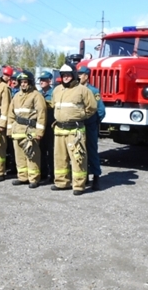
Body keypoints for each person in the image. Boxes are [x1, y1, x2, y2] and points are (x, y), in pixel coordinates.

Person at [51, 63, 97, 196]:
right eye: (63, 75)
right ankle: (61, 183)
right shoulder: (57, 90)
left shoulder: (83, 90)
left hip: (75, 130)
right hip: (59, 129)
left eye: (68, 75)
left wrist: (80, 116)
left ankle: (78, 185)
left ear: (74, 76)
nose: (65, 77)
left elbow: (92, 108)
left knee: (78, 158)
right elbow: (54, 105)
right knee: (59, 158)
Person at [7, 70, 47, 188]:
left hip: (30, 131)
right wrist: (9, 130)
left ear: (30, 82)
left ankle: (34, 178)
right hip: (17, 130)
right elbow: (11, 114)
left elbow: (42, 114)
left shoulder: (36, 95)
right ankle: (22, 177)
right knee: (19, 156)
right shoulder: (16, 96)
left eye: (25, 82)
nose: (23, 84)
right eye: (21, 82)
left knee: (32, 155)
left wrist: (39, 132)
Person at [77, 65, 106, 191]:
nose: (79, 76)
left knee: (92, 151)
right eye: (78, 74)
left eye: (81, 74)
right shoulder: (75, 90)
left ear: (86, 76)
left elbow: (101, 110)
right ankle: (83, 177)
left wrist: (93, 122)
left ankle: (96, 177)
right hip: (77, 125)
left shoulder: (93, 91)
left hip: (89, 126)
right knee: (79, 151)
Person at [38, 70, 54, 183]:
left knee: (51, 152)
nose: (41, 82)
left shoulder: (53, 94)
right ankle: (43, 173)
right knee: (41, 151)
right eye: (40, 80)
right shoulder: (38, 94)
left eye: (44, 80)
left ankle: (52, 175)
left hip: (50, 127)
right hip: (40, 127)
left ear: (50, 81)